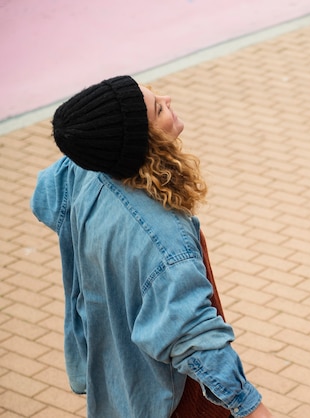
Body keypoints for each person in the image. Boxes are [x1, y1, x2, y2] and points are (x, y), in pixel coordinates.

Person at [31, 75, 273, 418]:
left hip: (117, 383)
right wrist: (250, 407)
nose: (168, 98)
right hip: (171, 398)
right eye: (158, 108)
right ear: (145, 144)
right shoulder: (163, 238)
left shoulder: (89, 170)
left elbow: (45, 195)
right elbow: (195, 337)